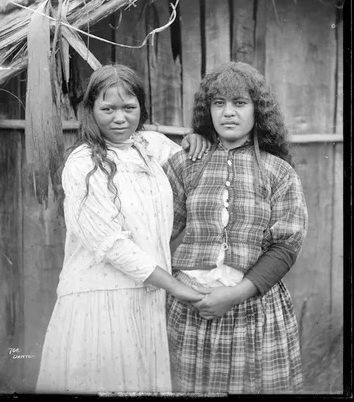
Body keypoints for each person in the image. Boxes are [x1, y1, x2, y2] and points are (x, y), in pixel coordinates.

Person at [36, 64, 210, 394]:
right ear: (90, 110)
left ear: (141, 108)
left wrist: (195, 139)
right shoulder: (82, 163)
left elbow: (193, 168)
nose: (120, 118)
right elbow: (112, 245)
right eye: (108, 109)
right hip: (99, 300)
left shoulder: (150, 145)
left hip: (146, 299)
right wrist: (175, 286)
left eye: (129, 108)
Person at [163, 61, 308, 394]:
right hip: (191, 308)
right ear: (208, 111)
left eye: (239, 103)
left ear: (258, 110)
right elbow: (157, 227)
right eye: (219, 103)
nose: (228, 112)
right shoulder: (185, 162)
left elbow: (286, 246)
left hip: (253, 309)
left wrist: (234, 294)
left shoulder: (278, 172)